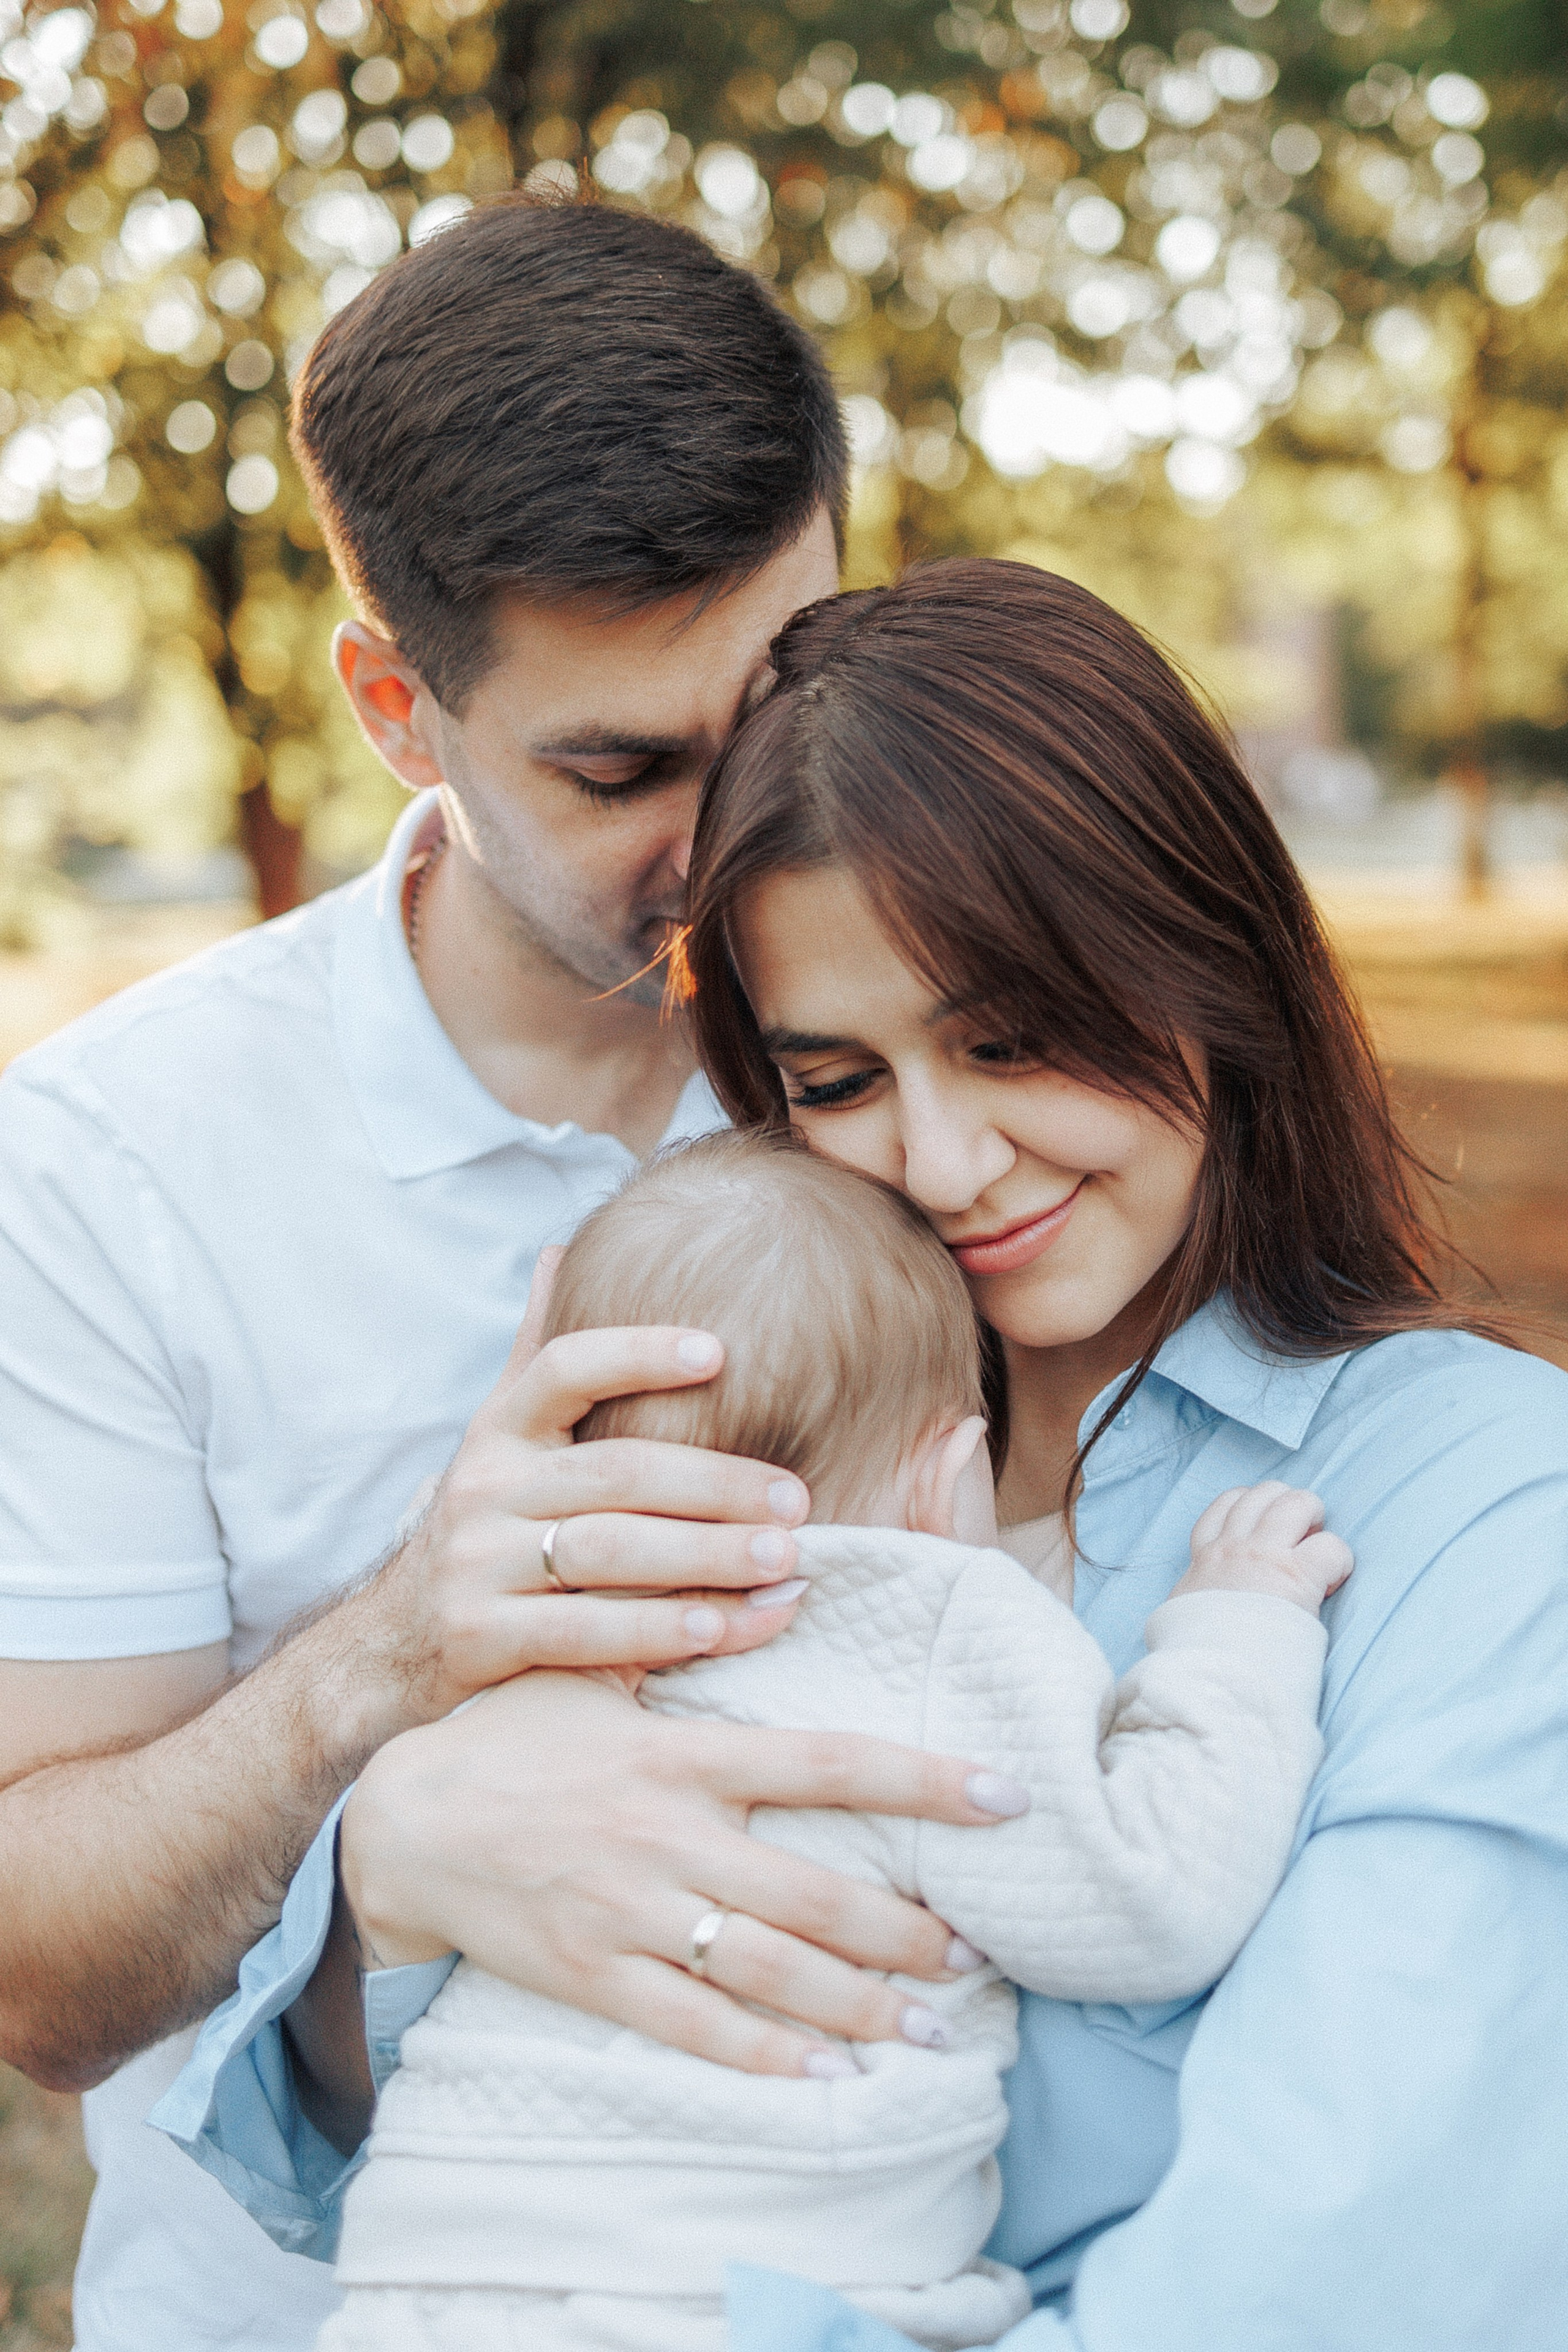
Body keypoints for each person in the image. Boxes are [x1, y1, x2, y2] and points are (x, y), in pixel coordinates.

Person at [179, 560, 1568, 2351]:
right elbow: (397, 2125)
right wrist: (393, 1866)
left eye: (1013, 1040)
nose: (944, 1161)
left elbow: (1339, 2288)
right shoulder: (725, 1425)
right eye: (834, 1080)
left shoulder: (1484, 1512)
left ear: (1206, 963)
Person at [0, 197, 1005, 2352]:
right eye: (625, 769)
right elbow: (36, 1977)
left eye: (783, 692)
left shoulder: (967, 1073)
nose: (746, 824)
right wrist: (385, 1665)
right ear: (394, 707)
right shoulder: (101, 1179)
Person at [318, 1131, 1341, 2352]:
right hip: (736, 2303)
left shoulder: (528, 1644)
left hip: (415, 2280)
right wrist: (1234, 1630)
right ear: (950, 1473)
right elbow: (1148, 1901)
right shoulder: (926, 1623)